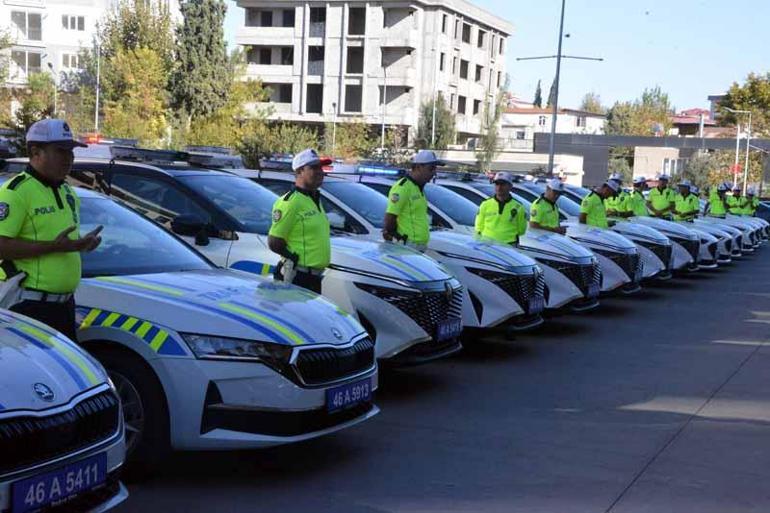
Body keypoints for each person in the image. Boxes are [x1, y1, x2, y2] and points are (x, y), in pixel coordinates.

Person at [0, 119, 102, 341]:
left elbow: (62, 243)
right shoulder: (15, 192)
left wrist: (80, 245)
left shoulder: (68, 192)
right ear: (36, 152)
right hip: (28, 306)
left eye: (71, 152)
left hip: (64, 306)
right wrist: (55, 247)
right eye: (61, 151)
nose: (69, 158)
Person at [268, 148, 332, 294]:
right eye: (314, 168)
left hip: (313, 277)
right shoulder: (292, 202)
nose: (320, 172)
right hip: (297, 276)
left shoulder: (313, 198)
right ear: (299, 171)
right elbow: (274, 242)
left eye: (321, 167)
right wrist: (292, 259)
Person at [382, 149, 442, 250]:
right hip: (407, 246)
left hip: (418, 246)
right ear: (418, 167)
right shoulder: (403, 187)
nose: (434, 173)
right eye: (431, 168)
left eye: (435, 168)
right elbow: (390, 217)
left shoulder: (418, 188)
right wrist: (398, 238)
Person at [474, 171, 527, 245]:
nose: (499, 187)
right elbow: (478, 227)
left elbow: (521, 230)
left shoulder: (518, 207)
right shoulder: (485, 204)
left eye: (502, 184)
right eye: (497, 184)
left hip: (509, 245)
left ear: (510, 186)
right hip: (487, 244)